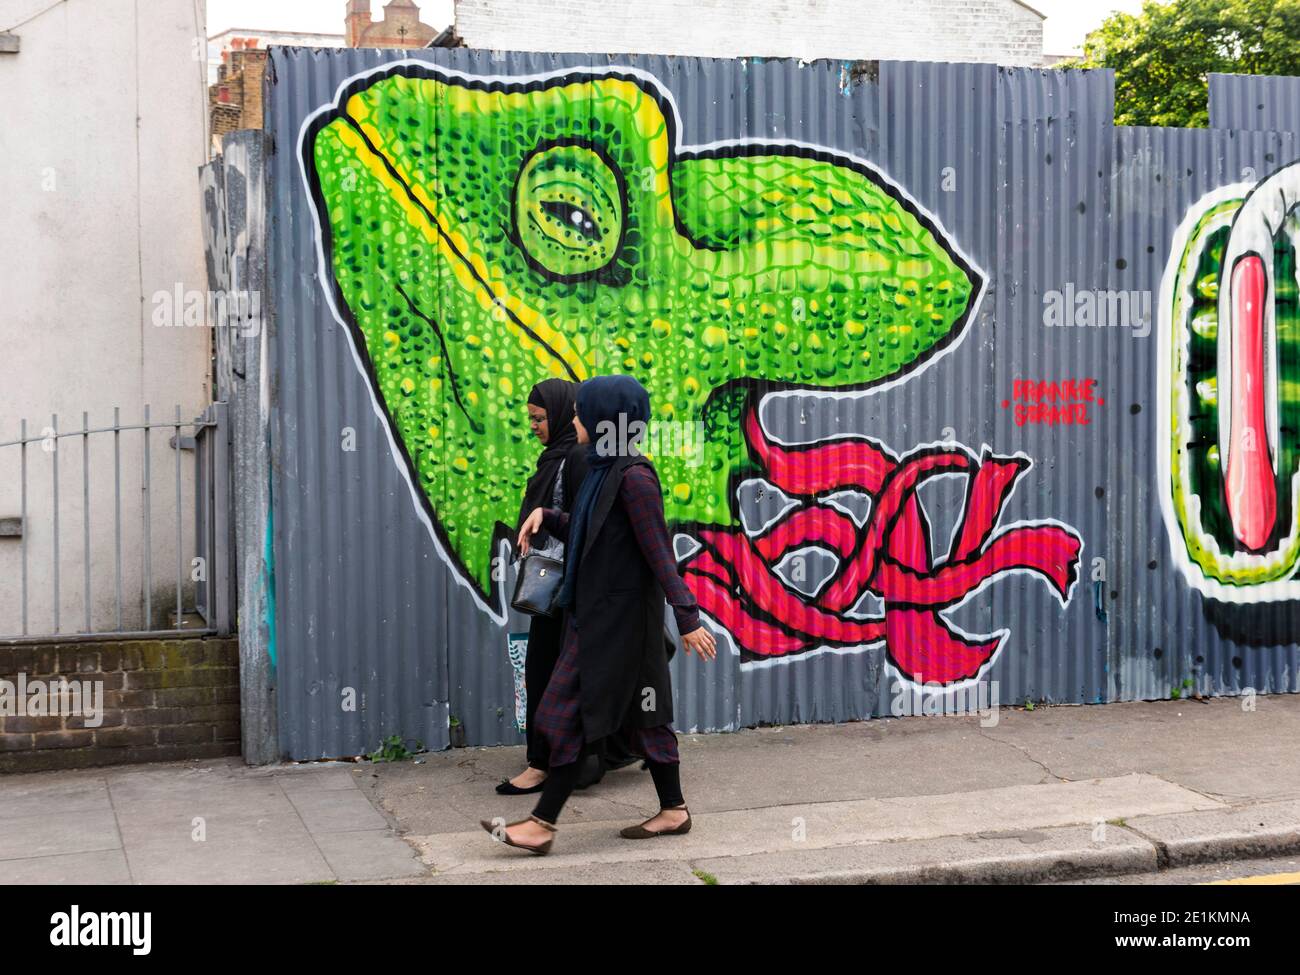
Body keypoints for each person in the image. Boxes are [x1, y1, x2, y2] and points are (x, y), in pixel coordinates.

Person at [482, 375, 717, 853]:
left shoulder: (635, 479)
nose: (573, 420)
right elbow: (591, 530)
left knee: (561, 713)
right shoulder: (603, 471)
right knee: (644, 720)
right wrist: (548, 517)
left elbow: (658, 554)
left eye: (581, 413)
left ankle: (542, 824)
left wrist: (688, 619)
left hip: (622, 627)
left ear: (606, 421)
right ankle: (673, 810)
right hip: (598, 620)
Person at [496, 379, 589, 795]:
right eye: (530, 419)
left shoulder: (575, 458)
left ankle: (542, 764)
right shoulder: (556, 457)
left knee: (545, 670)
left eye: (539, 418)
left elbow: (582, 524)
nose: (533, 426)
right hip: (557, 584)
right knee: (552, 670)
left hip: (565, 586)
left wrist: (546, 520)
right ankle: (565, 759)